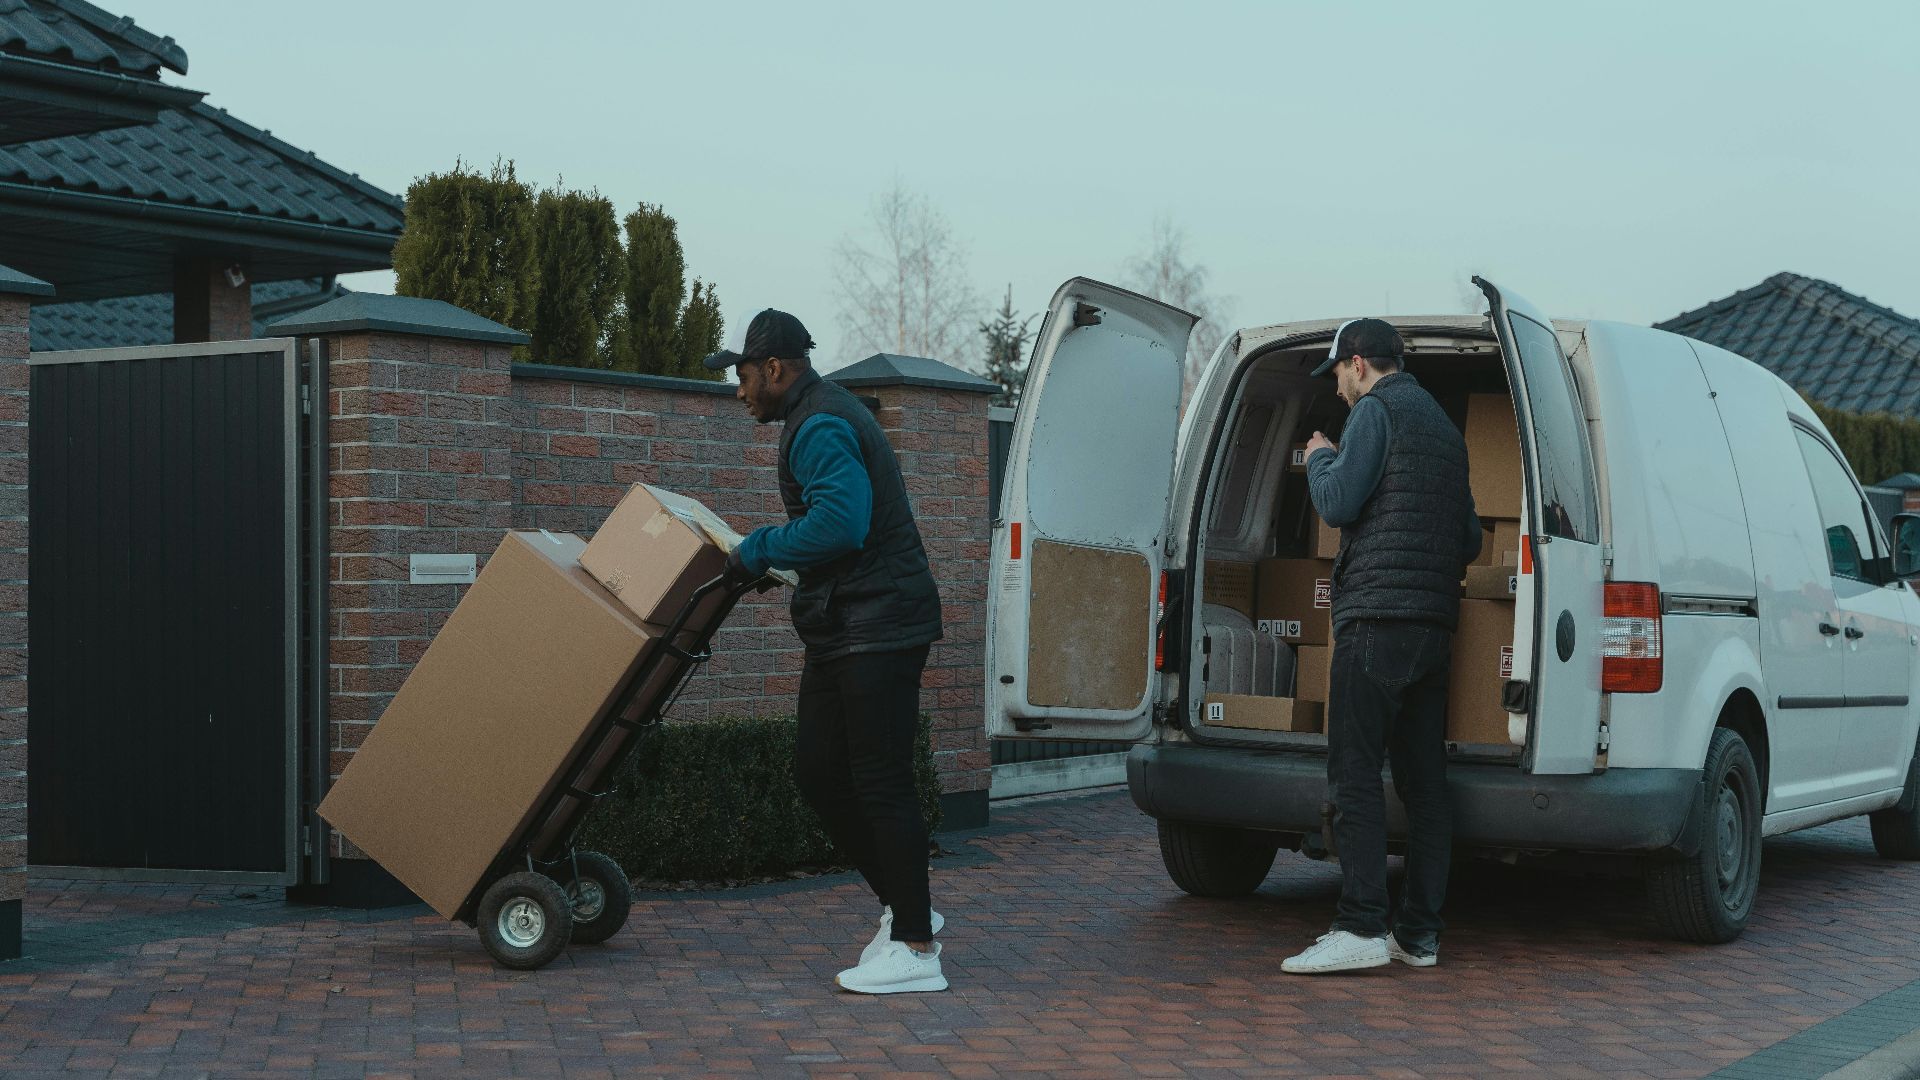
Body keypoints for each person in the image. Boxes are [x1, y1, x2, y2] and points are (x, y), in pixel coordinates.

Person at [704, 309, 949, 995]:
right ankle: (910, 909)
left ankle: (917, 949)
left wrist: (757, 550)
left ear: (775, 368)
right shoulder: (815, 416)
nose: (740, 390)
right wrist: (774, 565)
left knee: (881, 781)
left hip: (880, 625)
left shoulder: (817, 425)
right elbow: (835, 532)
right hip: (849, 624)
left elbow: (842, 523)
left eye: (744, 376)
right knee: (817, 771)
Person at [1281, 318, 1483, 975]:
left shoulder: (1375, 410)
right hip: (1432, 627)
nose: (1339, 386)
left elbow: (1338, 503)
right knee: (1425, 785)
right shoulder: (1445, 430)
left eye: (1339, 372)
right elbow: (1470, 540)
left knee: (1355, 771)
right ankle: (1418, 935)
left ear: (1361, 364)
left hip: (1375, 622)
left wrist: (1319, 457)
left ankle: (1361, 926)